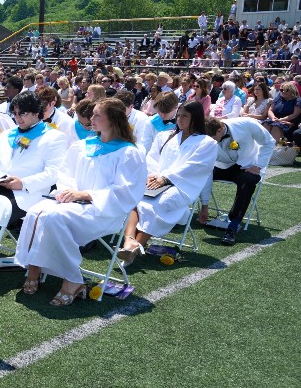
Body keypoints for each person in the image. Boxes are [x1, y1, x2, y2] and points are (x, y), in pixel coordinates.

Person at [16, 98, 146, 305]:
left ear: (112, 120)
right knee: (35, 212)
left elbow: (127, 191)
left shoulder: (128, 152)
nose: (91, 119)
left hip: (104, 210)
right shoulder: (82, 146)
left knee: (53, 218)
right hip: (73, 202)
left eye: (97, 115)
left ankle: (71, 280)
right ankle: (34, 268)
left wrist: (86, 195)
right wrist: (69, 193)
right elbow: (66, 175)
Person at [117, 101, 217, 265]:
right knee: (135, 199)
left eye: (185, 116)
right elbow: (152, 158)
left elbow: (194, 167)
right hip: (156, 181)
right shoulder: (165, 136)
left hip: (182, 187)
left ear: (196, 118)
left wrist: (166, 178)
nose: (180, 119)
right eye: (178, 115)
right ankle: (129, 241)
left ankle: (133, 249)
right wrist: (151, 175)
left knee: (158, 204)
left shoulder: (207, 143)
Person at [0, 90, 68, 231]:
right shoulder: (6, 134)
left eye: (22, 113)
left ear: (35, 112)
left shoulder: (54, 137)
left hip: (28, 193)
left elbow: (53, 173)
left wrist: (23, 183)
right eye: (14, 114)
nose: (17, 118)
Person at [199, 116, 274, 246]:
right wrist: (205, 206)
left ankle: (233, 226)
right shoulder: (205, 139)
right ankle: (187, 213)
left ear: (221, 128)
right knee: (199, 172)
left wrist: (258, 165)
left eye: (212, 138)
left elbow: (269, 142)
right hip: (221, 165)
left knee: (249, 180)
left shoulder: (247, 123)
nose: (210, 142)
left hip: (246, 166)